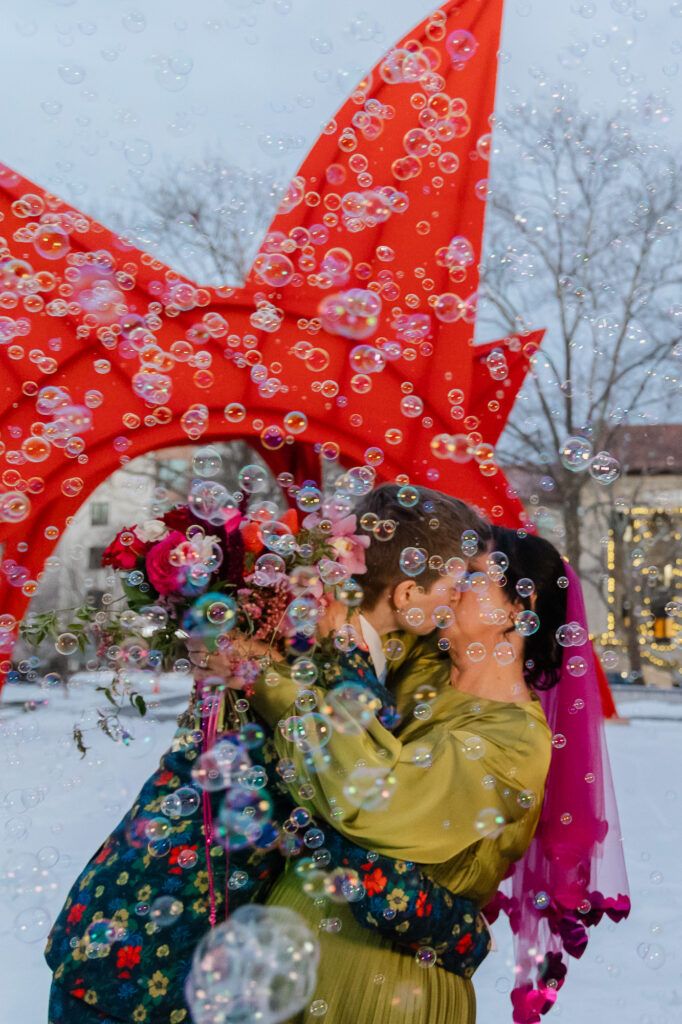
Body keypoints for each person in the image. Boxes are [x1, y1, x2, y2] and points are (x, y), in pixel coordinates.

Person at [45, 484, 494, 1024]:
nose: (463, 596)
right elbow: (343, 839)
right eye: (456, 581)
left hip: (145, 924)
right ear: (404, 595)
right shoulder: (321, 664)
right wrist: (455, 928)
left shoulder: (314, 634)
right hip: (150, 956)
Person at [245, 524, 572, 1023]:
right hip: (286, 946)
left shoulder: (517, 742)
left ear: (517, 614)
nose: (452, 580)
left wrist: (265, 680)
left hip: (386, 984)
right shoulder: (422, 664)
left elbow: (374, 799)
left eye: (475, 574)